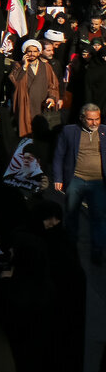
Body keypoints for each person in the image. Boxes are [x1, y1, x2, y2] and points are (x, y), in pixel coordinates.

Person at [53, 102, 106, 263]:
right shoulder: (69, 131)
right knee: (71, 215)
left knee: (98, 217)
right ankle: (71, 249)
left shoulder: (104, 131)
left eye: (97, 119)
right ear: (82, 118)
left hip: (98, 182)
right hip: (76, 179)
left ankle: (97, 250)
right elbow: (59, 155)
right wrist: (58, 178)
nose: (94, 123)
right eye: (90, 119)